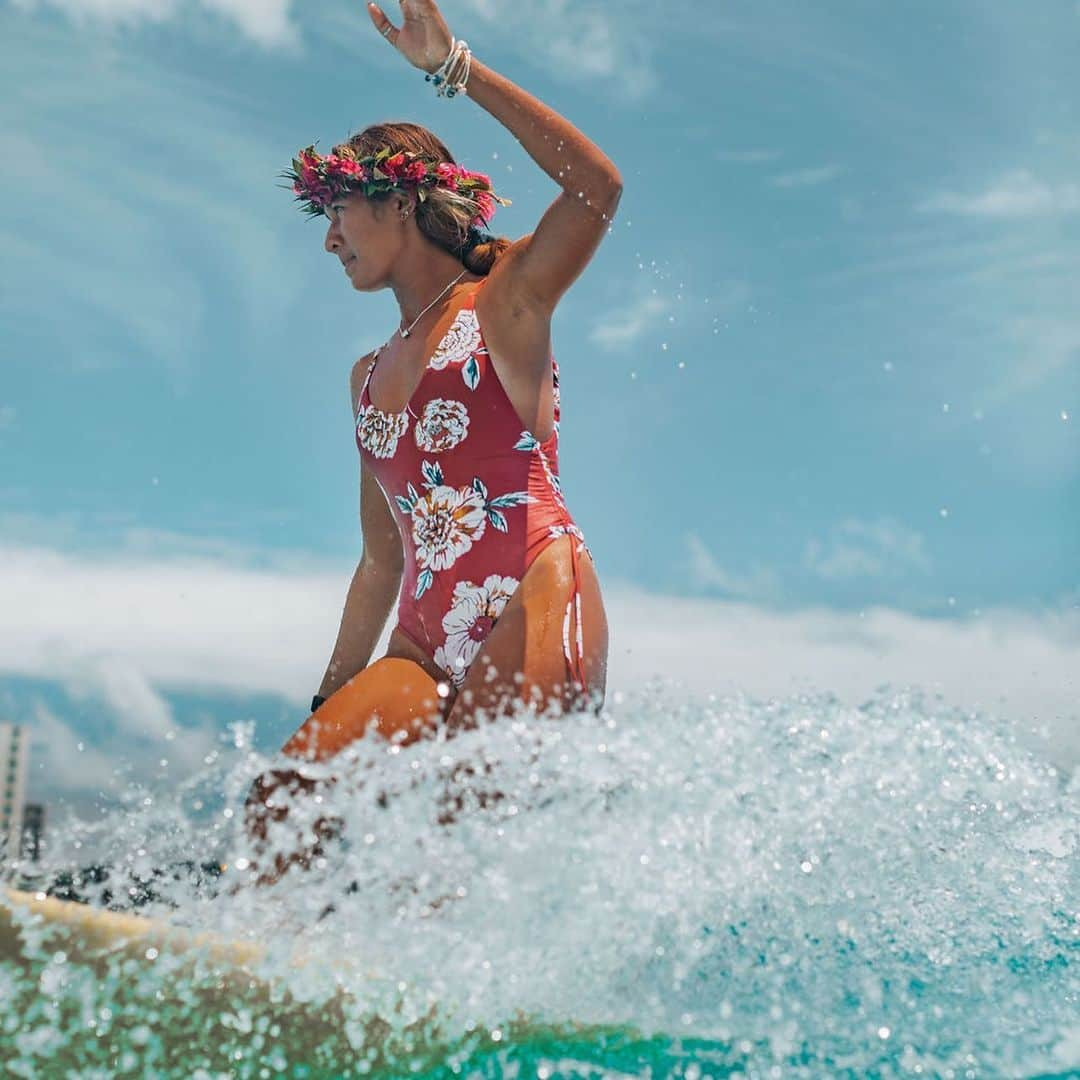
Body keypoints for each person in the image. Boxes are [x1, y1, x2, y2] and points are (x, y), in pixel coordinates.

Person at [242, 0, 622, 886]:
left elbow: (597, 190)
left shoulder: (507, 301)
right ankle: (276, 981)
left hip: (534, 597)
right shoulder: (365, 379)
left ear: (403, 201)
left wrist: (454, 68)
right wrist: (329, 703)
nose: (329, 238)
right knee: (283, 800)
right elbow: (381, 563)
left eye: (340, 213)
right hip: (421, 640)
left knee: (457, 846)